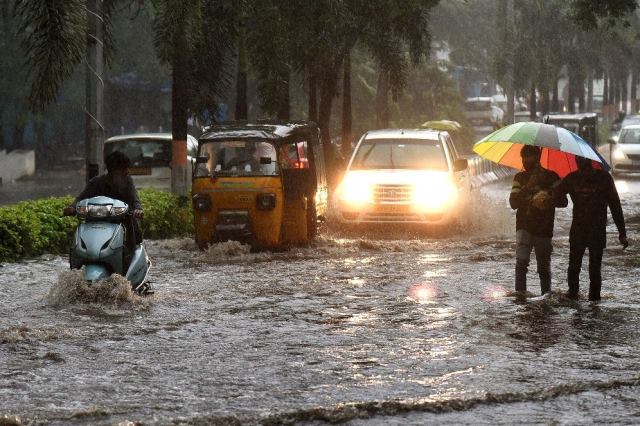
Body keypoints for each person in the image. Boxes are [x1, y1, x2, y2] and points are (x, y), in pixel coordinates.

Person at [554, 156, 628, 301]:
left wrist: (622, 233)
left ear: (590, 160)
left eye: (582, 159)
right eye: (578, 159)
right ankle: (575, 297)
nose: (580, 161)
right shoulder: (572, 178)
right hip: (580, 230)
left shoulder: (603, 178)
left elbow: (615, 205)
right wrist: (554, 188)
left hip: (595, 230)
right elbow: (557, 197)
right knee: (574, 267)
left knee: (593, 269)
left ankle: (592, 300)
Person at [509, 145, 568, 295]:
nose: (525, 160)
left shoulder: (552, 177)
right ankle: (520, 298)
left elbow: (564, 201)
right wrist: (527, 187)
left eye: (528, 156)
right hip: (524, 226)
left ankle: (546, 296)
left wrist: (548, 196)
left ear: (537, 158)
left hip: (544, 228)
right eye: (523, 157)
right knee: (521, 264)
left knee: (543, 267)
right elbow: (513, 203)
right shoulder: (519, 178)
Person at [63, 151, 144, 254]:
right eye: (123, 170)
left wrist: (138, 209)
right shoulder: (96, 183)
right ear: (113, 170)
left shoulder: (127, 182)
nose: (127, 172)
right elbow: (81, 198)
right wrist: (72, 208)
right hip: (97, 221)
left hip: (122, 220)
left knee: (130, 230)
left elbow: (134, 198)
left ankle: (130, 255)